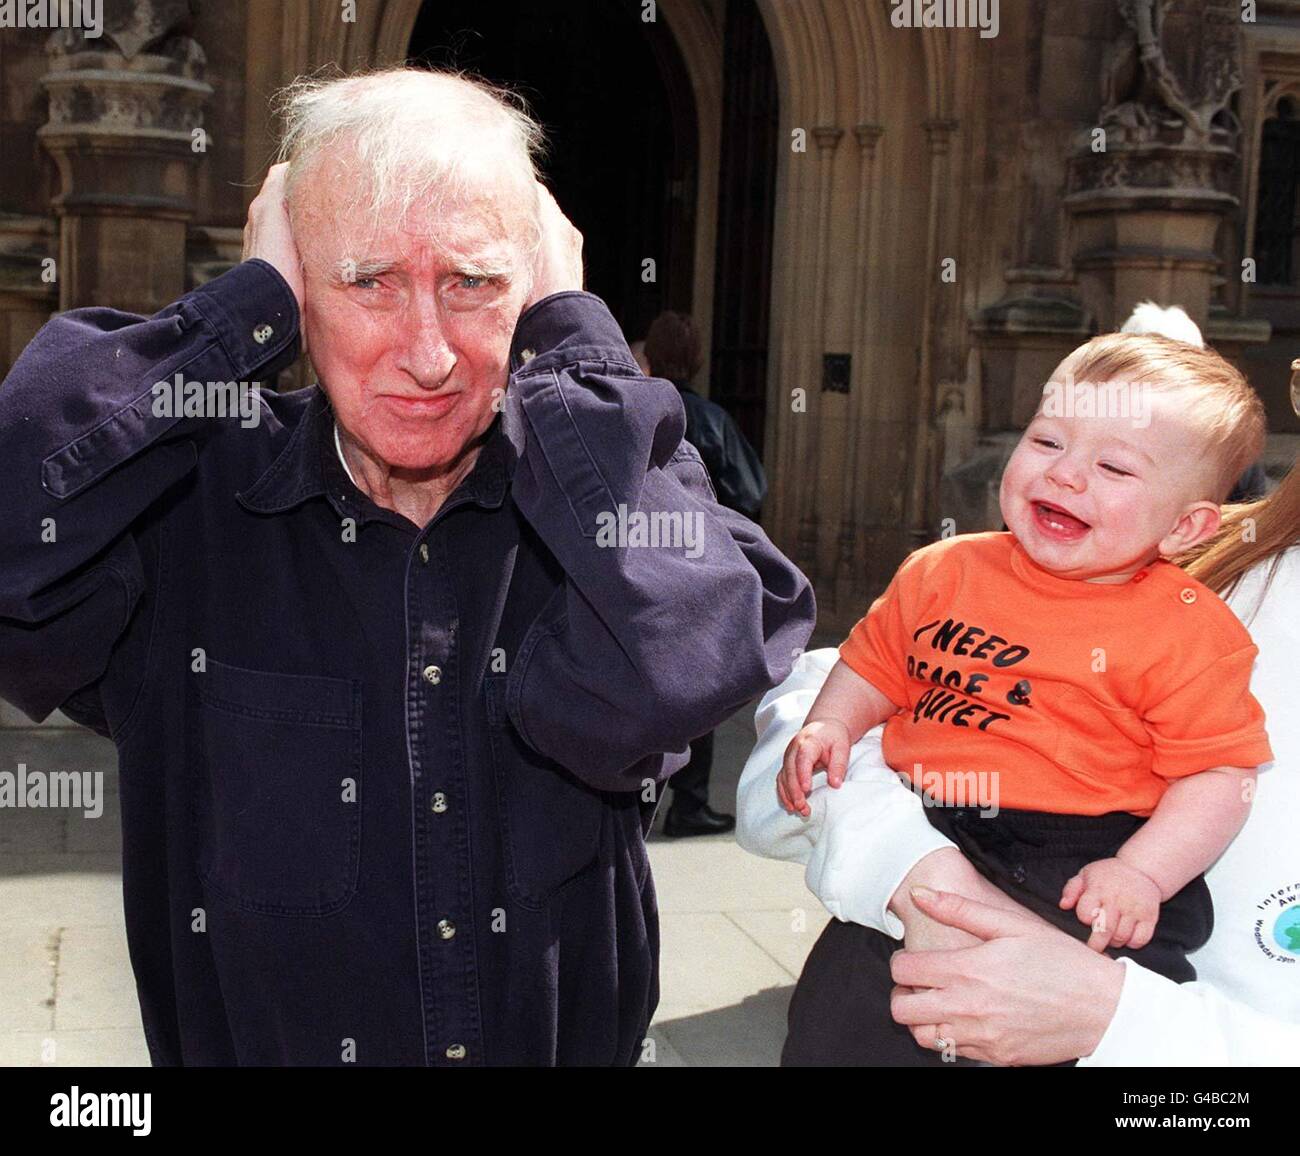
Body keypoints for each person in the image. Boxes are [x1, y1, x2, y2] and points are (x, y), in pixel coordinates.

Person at [0, 68, 816, 1066]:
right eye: (368, 280)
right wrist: (233, 315)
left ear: (533, 293)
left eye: (473, 284)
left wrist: (578, 341)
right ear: (298, 288)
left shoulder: (581, 512)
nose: (426, 353)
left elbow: (696, 653)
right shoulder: (190, 508)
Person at [742, 326, 1284, 1066]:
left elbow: (1219, 774)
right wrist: (832, 724)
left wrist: (1143, 871)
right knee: (835, 1023)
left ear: (1187, 526)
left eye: (1115, 468)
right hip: (934, 824)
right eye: (1048, 441)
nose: (1065, 476)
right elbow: (872, 663)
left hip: (1078, 857)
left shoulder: (1189, 628)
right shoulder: (944, 570)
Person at [641, 310, 769, 837]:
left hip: (640, 569)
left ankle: (638, 798)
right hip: (699, 569)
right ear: (696, 360)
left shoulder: (628, 414)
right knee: (703, 682)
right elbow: (751, 492)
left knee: (642, 681)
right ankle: (690, 803)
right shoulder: (712, 420)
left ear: (647, 357)